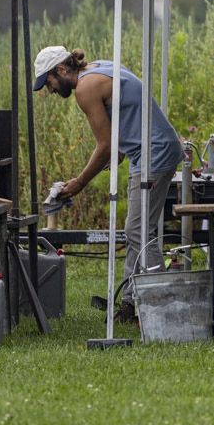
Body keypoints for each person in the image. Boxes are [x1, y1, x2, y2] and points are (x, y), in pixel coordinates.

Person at [32, 45, 182, 323]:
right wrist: (120, 149)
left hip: (154, 152)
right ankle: (129, 307)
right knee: (137, 230)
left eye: (49, 83)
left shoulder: (84, 89)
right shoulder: (101, 66)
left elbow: (105, 145)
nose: (50, 91)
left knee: (138, 231)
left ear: (62, 70)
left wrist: (78, 183)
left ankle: (164, 308)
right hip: (150, 150)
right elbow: (125, 117)